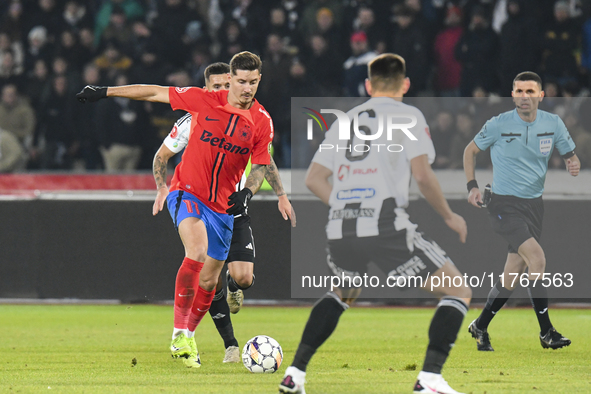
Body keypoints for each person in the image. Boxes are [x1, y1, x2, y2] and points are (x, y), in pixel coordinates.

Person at [77, 51, 294, 368]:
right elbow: (152, 91)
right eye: (241, 81)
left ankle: (188, 337)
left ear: (259, 80)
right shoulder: (203, 100)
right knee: (196, 251)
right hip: (187, 191)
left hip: (223, 206)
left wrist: (247, 192)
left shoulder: (262, 121)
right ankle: (179, 332)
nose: (247, 88)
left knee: (209, 282)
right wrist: (105, 92)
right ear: (231, 79)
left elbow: (261, 164)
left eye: (253, 82)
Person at [279, 53, 472, 394]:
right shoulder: (408, 115)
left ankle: (295, 374)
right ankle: (430, 379)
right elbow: (423, 175)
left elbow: (313, 178)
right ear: (406, 84)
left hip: (340, 224)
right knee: (458, 290)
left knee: (344, 292)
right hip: (383, 221)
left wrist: (345, 204)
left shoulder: (345, 119)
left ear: (368, 85)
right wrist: (449, 216)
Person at [152, 62, 295, 363]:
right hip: (197, 197)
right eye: (215, 87)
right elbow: (162, 155)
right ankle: (223, 343)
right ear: (208, 89)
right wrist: (161, 187)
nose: (222, 90)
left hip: (234, 205)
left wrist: (280, 194)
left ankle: (229, 292)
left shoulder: (255, 119)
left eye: (224, 85)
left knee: (242, 278)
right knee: (205, 269)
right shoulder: (194, 119)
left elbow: (264, 160)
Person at [463, 71, 579, 352]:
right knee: (537, 259)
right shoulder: (499, 124)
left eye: (529, 91)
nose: (523, 96)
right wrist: (472, 186)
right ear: (512, 94)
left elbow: (569, 153)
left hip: (533, 206)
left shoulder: (553, 123)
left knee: (511, 276)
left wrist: (571, 161)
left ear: (541, 95)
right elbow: (470, 151)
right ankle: (546, 332)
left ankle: (480, 325)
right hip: (503, 205)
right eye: (518, 91)